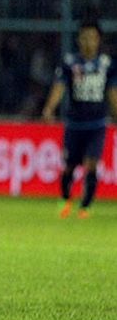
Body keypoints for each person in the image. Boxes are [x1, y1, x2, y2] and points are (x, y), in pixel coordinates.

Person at [42, 17, 117, 219]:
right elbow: (59, 88)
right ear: (79, 40)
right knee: (69, 167)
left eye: (92, 38)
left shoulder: (106, 65)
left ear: (98, 40)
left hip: (97, 124)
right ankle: (65, 199)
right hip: (74, 124)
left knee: (92, 164)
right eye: (84, 38)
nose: (88, 42)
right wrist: (49, 108)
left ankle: (85, 206)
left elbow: (112, 92)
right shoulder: (70, 63)